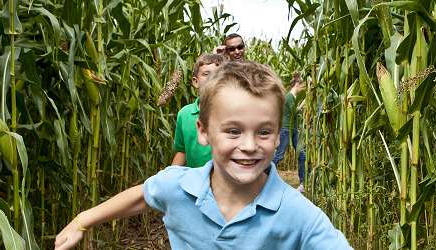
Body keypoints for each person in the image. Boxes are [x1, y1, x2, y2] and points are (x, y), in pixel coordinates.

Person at [54, 61, 351, 250]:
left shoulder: (298, 214)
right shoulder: (179, 186)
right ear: (203, 131)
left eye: (263, 132)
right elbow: (143, 195)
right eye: (233, 131)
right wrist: (81, 221)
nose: (249, 145)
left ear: (277, 137)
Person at [171, 53, 226, 168]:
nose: (212, 78)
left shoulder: (232, 112)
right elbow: (182, 152)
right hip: (196, 183)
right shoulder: (184, 114)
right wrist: (169, 175)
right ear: (195, 82)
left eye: (218, 74)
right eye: (206, 74)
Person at [272, 72, 307, 192]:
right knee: (279, 155)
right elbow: (294, 113)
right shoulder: (289, 97)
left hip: (294, 129)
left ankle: (303, 183)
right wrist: (303, 104)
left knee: (302, 155)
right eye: (303, 85)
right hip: (286, 129)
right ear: (297, 84)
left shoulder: (293, 98)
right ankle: (264, 177)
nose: (304, 88)